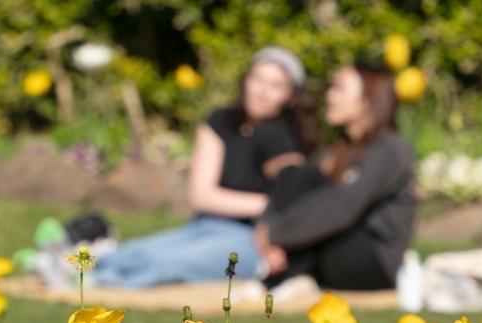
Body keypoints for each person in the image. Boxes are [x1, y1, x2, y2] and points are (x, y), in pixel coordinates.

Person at [88, 46, 315, 288]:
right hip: (205, 226)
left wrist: (270, 218)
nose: (262, 91)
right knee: (135, 251)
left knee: (165, 264)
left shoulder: (281, 138)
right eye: (257, 79)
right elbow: (202, 196)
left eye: (275, 85)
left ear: (291, 96)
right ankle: (77, 270)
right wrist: (264, 204)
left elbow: (292, 195)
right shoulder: (221, 122)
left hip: (249, 239)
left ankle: (96, 285)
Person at [254, 63, 417, 291]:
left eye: (339, 89)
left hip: (371, 261)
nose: (330, 96)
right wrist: (268, 230)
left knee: (327, 223)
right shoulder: (336, 152)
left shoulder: (390, 149)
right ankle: (283, 268)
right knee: (295, 176)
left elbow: (342, 207)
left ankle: (288, 273)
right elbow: (301, 194)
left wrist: (276, 234)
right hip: (334, 250)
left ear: (369, 98)